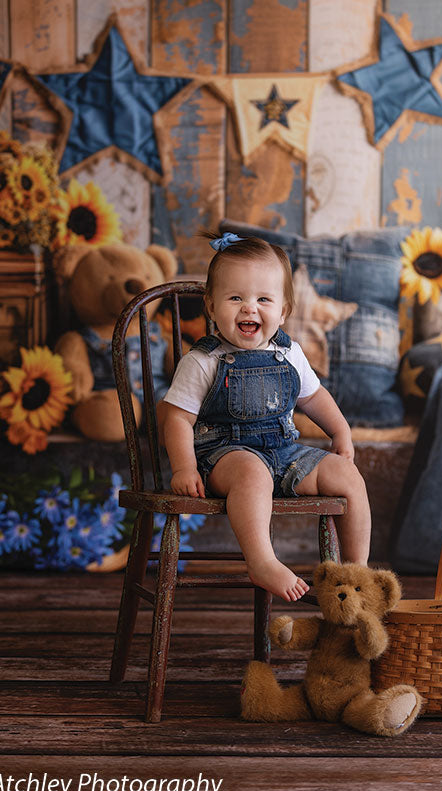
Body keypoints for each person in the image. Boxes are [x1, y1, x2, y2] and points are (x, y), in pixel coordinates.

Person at [159, 231, 371, 602]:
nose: (249, 308)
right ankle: (261, 560)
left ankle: (356, 574)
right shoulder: (203, 361)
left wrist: (340, 430)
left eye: (263, 299)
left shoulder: (290, 355)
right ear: (210, 306)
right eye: (235, 297)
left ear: (284, 310)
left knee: (347, 475)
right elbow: (176, 418)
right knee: (253, 474)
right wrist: (184, 468)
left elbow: (315, 397)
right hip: (225, 456)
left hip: (284, 453)